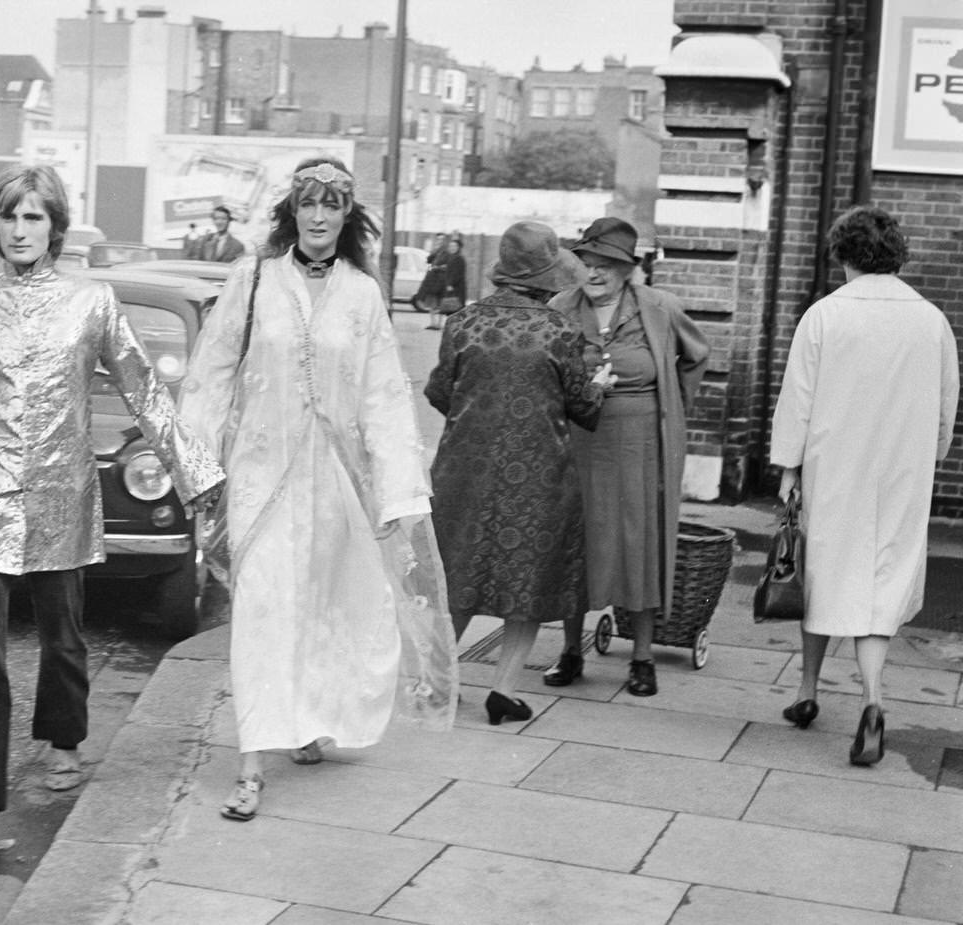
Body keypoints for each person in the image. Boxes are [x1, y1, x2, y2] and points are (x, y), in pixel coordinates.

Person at [0, 165, 225, 854]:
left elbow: (144, 390)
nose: (20, 229)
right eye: (10, 216)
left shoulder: (92, 303)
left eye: (34, 217)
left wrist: (196, 475)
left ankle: (64, 737)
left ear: (54, 227)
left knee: (63, 632)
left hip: (64, 492)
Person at [180, 156, 457, 822]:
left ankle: (302, 722)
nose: (319, 216)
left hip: (333, 484)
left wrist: (397, 494)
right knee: (263, 609)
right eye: (308, 203)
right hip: (260, 478)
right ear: (290, 212)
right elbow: (209, 374)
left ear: (347, 217)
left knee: (314, 603)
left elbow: (385, 399)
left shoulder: (362, 295)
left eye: (332, 205)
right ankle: (250, 765)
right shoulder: (253, 280)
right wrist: (200, 469)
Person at [770, 205, 958, 766]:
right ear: (897, 253)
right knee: (879, 586)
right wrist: (930, 456)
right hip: (902, 472)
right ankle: (873, 701)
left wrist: (788, 467)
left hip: (835, 468)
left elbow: (797, 400)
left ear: (843, 253)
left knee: (822, 574)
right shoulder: (932, 320)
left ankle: (806, 692)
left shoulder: (825, 316)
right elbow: (946, 409)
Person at [426, 222, 614, 724]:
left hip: (463, 472)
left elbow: (439, 391)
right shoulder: (560, 331)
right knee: (526, 585)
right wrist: (601, 383)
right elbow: (583, 408)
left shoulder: (462, 324)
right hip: (538, 477)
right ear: (545, 276)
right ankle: (503, 691)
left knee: (460, 578)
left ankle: (437, 683)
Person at [545, 217, 710, 697]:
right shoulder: (559, 308)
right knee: (576, 543)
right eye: (586, 264)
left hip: (640, 444)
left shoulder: (660, 308)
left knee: (640, 543)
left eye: (605, 265)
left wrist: (671, 406)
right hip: (578, 442)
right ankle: (571, 652)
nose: (593, 274)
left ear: (626, 269)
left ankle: (641, 658)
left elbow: (696, 356)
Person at [417, 233, 450, 329]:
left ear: (445, 241)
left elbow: (448, 265)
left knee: (440, 301)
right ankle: (432, 323)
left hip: (442, 279)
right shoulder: (436, 251)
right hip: (432, 279)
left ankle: (439, 323)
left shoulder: (447, 253)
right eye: (439, 239)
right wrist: (434, 252)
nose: (440, 241)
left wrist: (438, 267)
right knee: (432, 301)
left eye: (442, 239)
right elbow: (428, 260)